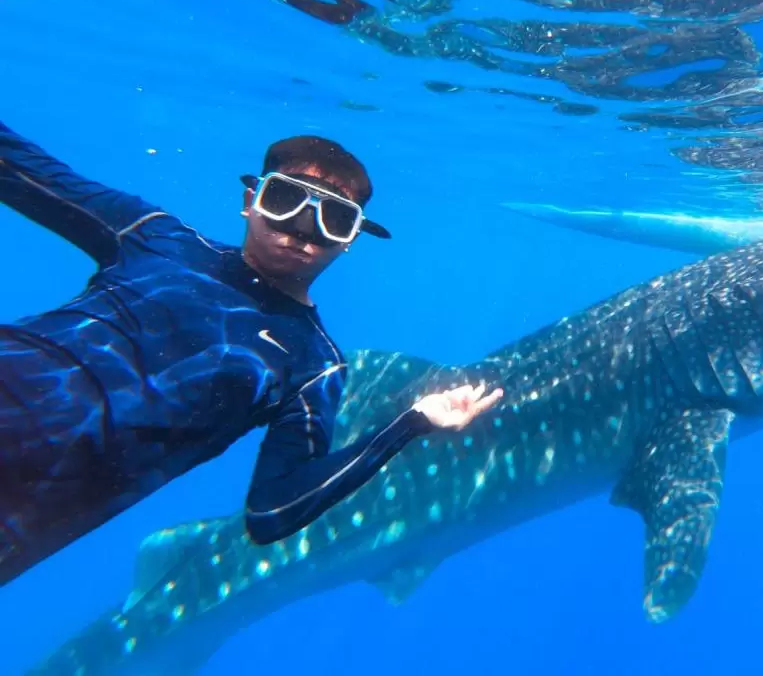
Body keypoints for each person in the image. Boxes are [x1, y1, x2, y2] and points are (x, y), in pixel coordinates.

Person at [0, 112, 503, 585]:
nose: (301, 230)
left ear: (350, 239)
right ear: (251, 200)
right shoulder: (154, 236)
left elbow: (271, 513)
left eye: (332, 219)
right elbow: (20, 167)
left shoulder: (314, 365)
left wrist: (411, 423)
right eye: (286, 201)